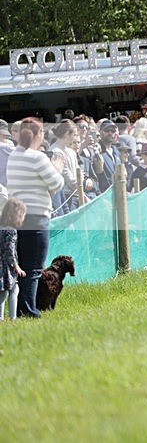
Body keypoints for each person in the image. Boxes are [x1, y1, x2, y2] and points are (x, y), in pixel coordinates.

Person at [7, 118, 64, 318]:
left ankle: (20, 309)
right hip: (36, 217)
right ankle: (29, 310)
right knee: (33, 268)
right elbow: (56, 184)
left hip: (17, 217)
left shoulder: (14, 155)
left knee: (20, 265)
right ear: (38, 134)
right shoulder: (38, 158)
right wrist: (57, 167)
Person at [0, 197, 26, 321]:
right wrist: (17, 267)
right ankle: (13, 318)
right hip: (6, 267)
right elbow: (9, 250)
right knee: (14, 289)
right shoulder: (11, 231)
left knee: (2, 292)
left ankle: (1, 317)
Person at [49, 120, 80, 214]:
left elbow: (78, 173)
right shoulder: (56, 152)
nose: (74, 138)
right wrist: (85, 198)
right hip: (66, 197)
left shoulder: (71, 151)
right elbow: (70, 180)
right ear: (67, 134)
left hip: (76, 194)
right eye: (74, 135)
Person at [90, 120, 123, 193]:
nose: (110, 133)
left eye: (113, 131)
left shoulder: (116, 151)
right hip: (103, 194)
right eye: (107, 130)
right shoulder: (96, 149)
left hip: (118, 192)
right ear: (100, 132)